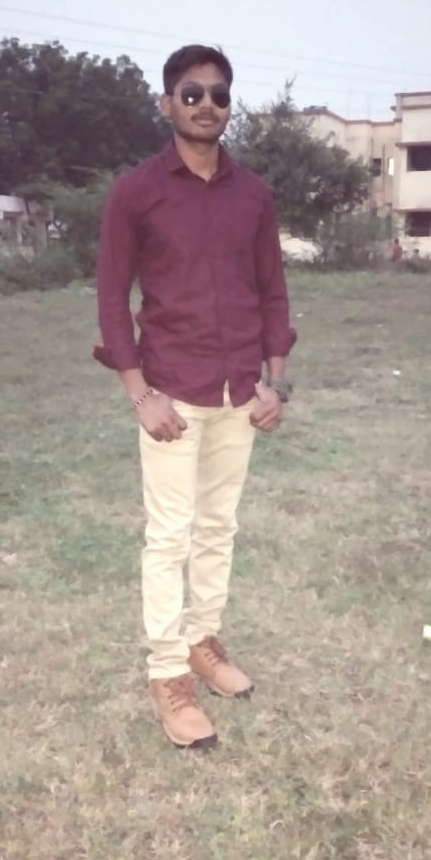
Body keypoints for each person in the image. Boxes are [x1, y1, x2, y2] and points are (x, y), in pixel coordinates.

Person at [94, 44, 296, 751]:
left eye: (218, 94)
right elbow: (112, 298)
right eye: (191, 93)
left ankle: (202, 641)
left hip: (240, 389)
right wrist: (138, 394)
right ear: (166, 104)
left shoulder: (254, 195)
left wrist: (275, 382)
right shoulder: (136, 191)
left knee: (218, 527)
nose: (206, 104)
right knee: (169, 535)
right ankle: (167, 674)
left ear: (229, 105)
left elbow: (272, 292)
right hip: (172, 393)